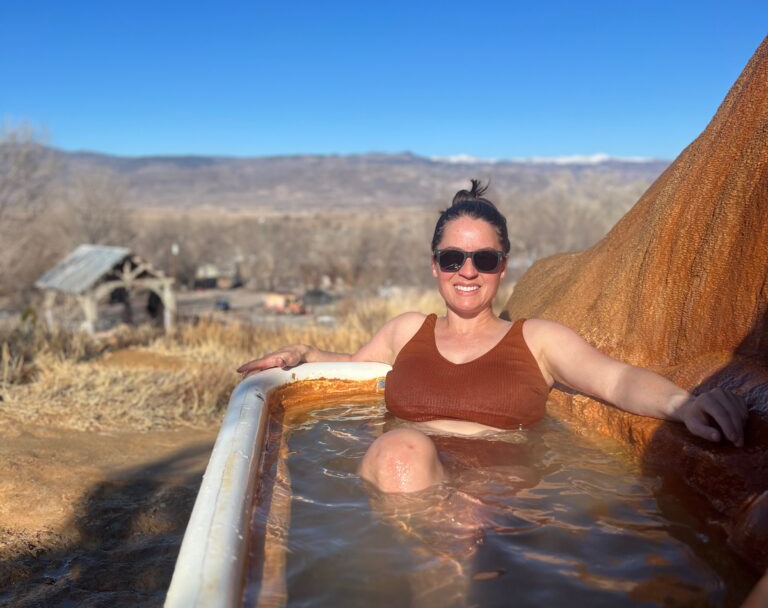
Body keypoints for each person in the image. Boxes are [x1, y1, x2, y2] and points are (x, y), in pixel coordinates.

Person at [237, 181, 749, 494]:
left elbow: (615, 381)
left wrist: (683, 405)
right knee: (401, 452)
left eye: (484, 259)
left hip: (496, 497)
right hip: (401, 489)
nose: (467, 271)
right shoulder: (406, 329)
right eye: (452, 258)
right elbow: (346, 371)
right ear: (435, 264)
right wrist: (304, 354)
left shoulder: (537, 340)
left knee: (404, 456)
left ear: (502, 266)